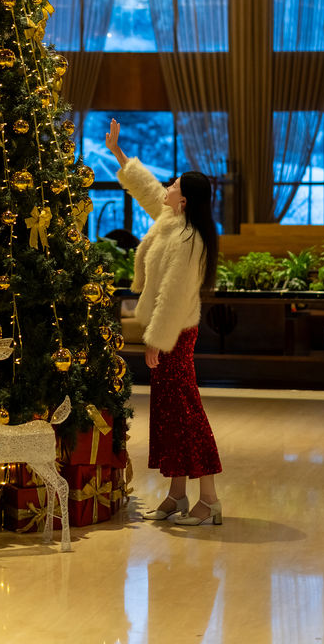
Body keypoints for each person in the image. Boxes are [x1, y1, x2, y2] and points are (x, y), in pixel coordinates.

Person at [105, 118, 222, 525]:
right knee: (170, 415)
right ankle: (177, 494)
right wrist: (119, 153)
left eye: (174, 186)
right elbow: (147, 188)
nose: (167, 189)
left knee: (187, 413)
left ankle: (208, 498)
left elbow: (173, 296)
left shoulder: (188, 239)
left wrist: (154, 339)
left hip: (174, 336)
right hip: (168, 334)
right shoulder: (174, 222)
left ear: (185, 199)